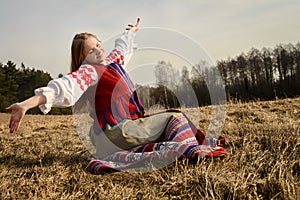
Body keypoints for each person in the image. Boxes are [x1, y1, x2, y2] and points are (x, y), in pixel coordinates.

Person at [6, 18, 226, 174]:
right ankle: (191, 151)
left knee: (165, 124)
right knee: (174, 119)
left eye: (99, 45)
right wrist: (27, 104)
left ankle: (172, 148)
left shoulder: (113, 63)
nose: (98, 51)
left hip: (122, 131)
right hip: (115, 131)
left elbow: (123, 48)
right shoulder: (88, 72)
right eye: (91, 50)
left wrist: (131, 31)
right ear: (83, 57)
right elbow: (63, 87)